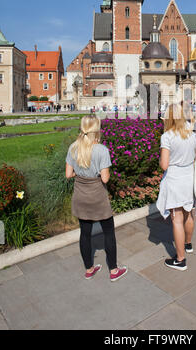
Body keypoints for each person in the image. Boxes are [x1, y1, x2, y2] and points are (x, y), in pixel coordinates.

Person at [65, 115, 127, 281]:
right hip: (97, 196)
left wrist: (81, 172)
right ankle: (113, 271)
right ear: (97, 130)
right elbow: (105, 178)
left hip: (80, 195)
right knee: (108, 233)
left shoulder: (73, 147)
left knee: (85, 233)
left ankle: (89, 269)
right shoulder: (102, 150)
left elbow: (68, 174)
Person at [156, 104, 196, 271]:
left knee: (176, 219)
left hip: (174, 179)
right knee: (188, 213)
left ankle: (180, 259)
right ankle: (188, 244)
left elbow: (164, 165)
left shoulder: (167, 136)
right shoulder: (192, 135)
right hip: (188, 179)